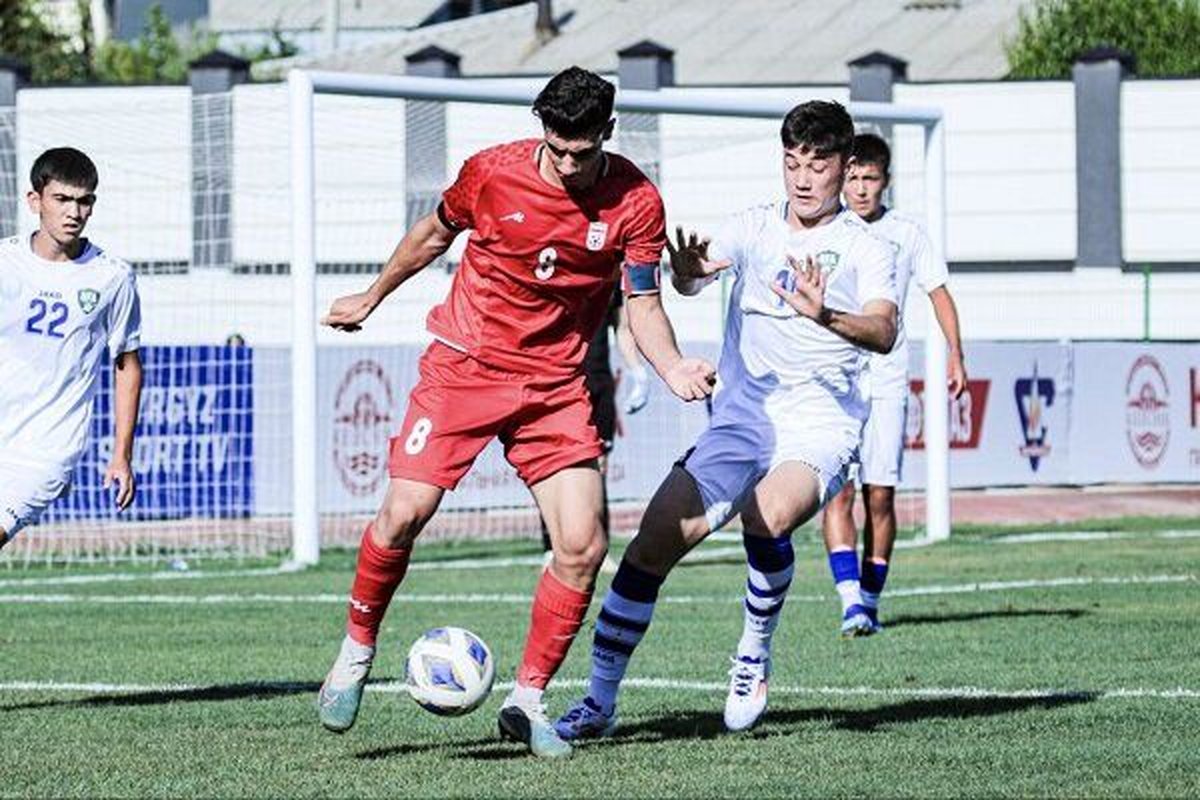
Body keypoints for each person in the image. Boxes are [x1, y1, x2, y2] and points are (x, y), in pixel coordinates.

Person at [315, 66, 715, 758]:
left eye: (581, 152)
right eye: (556, 149)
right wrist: (372, 295)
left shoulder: (637, 202)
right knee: (403, 512)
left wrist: (672, 364)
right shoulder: (490, 174)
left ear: (607, 135)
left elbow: (644, 302)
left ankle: (528, 700)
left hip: (555, 387)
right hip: (465, 365)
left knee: (584, 544)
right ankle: (355, 650)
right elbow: (432, 235)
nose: (566, 164)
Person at [553, 100, 898, 740]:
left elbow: (883, 329)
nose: (802, 178)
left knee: (766, 514)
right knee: (652, 542)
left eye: (818, 165)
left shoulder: (866, 247)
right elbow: (694, 274)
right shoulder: (754, 226)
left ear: (846, 168)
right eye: (792, 162)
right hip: (741, 420)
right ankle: (598, 703)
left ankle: (752, 651)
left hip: (819, 425)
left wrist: (826, 316)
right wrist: (684, 274)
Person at [822, 133, 967, 638]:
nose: (861, 188)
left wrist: (955, 355)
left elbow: (938, 293)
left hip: (885, 379)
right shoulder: (826, 229)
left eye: (871, 178)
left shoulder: (906, 233)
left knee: (879, 496)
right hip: (834, 379)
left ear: (886, 182)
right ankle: (849, 603)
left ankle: (871, 598)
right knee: (835, 493)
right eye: (854, 177)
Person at [0, 147, 143, 551]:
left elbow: (127, 365)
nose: (73, 212)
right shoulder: (4, 262)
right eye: (61, 199)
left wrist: (121, 455)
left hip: (46, 450)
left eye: (83, 201)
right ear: (35, 201)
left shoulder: (111, 277)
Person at [540, 287, 623, 572]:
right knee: (554, 465)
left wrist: (637, 370)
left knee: (598, 467)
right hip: (561, 383)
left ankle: (601, 544)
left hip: (599, 383)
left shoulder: (611, 276)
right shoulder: (558, 269)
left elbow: (623, 326)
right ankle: (552, 546)